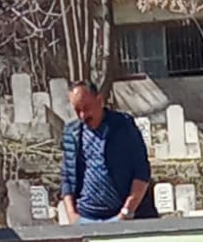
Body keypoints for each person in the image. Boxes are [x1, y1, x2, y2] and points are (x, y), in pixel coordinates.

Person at [60, 82, 154, 223]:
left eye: (87, 108)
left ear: (99, 100)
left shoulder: (123, 126)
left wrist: (126, 212)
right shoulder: (71, 133)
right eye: (77, 110)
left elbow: (141, 171)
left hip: (121, 216)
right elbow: (67, 176)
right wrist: (72, 216)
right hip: (85, 217)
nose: (83, 115)